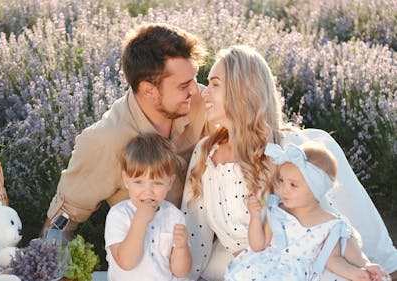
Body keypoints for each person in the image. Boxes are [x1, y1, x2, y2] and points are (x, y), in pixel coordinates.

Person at [181, 45, 397, 281]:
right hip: (243, 269)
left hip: (300, 265)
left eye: (215, 84)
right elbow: (195, 234)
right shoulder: (204, 154)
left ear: (242, 90)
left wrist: (362, 265)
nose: (204, 94)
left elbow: (326, 219)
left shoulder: (286, 149)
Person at [43, 23, 208, 236]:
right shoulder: (106, 140)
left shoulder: (202, 102)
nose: (196, 90)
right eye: (184, 85)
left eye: (194, 78)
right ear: (149, 90)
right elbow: (63, 219)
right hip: (145, 257)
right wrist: (44, 264)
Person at [224, 143, 389, 281]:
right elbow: (258, 245)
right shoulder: (278, 212)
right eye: (282, 181)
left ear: (315, 190)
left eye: (293, 185)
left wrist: (362, 269)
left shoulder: (330, 225)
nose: (283, 189)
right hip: (265, 269)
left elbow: (334, 259)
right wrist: (255, 218)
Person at [104, 133, 191, 280]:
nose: (148, 191)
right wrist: (139, 222)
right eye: (139, 182)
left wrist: (182, 248)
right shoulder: (119, 215)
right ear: (126, 180)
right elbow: (126, 262)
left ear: (169, 183)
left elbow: (180, 271)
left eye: (157, 183)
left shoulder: (174, 216)